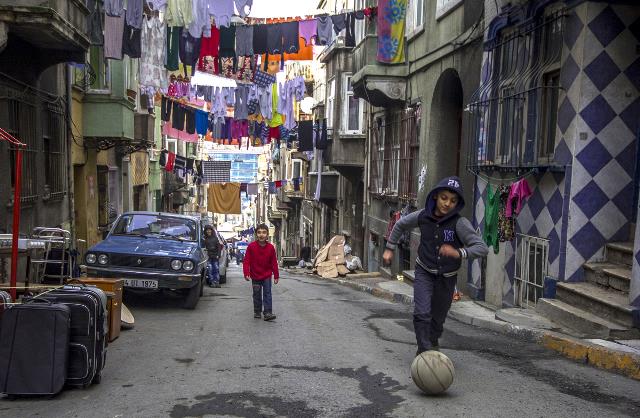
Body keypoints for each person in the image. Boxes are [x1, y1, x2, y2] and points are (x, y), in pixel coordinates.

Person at [383, 176, 488, 355]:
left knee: (438, 318)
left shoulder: (459, 224)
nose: (447, 204)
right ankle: (424, 351)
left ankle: (432, 341)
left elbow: (482, 248)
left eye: (453, 201)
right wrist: (389, 248)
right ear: (436, 197)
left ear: (457, 204)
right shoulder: (423, 216)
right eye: (444, 198)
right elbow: (400, 225)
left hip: (447, 278)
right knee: (422, 312)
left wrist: (459, 252)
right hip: (424, 271)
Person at [243, 223, 279, 321]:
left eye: (264, 232)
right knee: (256, 294)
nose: (261, 235)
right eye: (259, 232)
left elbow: (274, 263)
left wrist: (276, 276)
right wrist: (246, 273)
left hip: (267, 275)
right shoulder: (251, 247)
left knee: (267, 293)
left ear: (267, 235)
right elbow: (246, 261)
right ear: (256, 234)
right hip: (255, 275)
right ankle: (257, 311)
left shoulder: (271, 248)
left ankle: (268, 312)